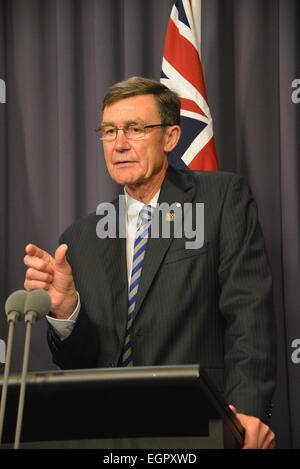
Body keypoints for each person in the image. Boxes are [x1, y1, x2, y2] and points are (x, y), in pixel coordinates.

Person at [24, 76, 276, 449]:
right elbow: (78, 362)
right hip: (105, 434)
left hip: (198, 425)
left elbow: (249, 313)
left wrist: (250, 411)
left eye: (135, 129)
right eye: (109, 131)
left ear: (171, 138)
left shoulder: (222, 199)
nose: (119, 143)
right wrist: (66, 313)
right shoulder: (79, 238)